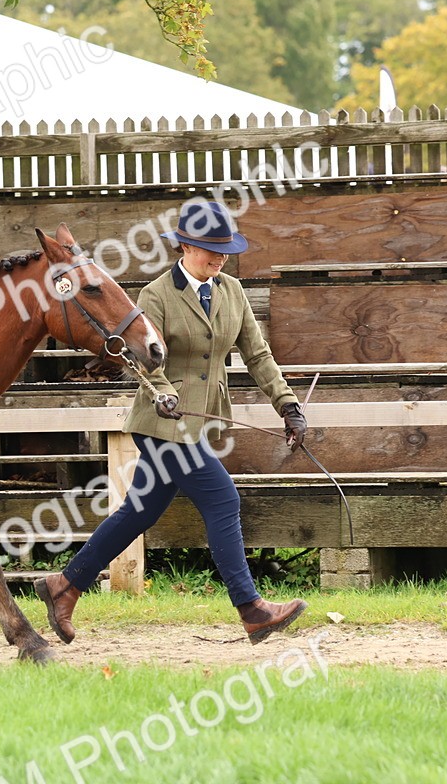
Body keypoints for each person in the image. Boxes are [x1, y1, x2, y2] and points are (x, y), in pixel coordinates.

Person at [34, 200, 309, 646]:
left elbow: (258, 356)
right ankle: (252, 609)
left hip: (201, 424)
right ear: (184, 246)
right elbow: (144, 358)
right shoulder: (156, 295)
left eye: (223, 250)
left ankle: (65, 586)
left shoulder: (233, 292)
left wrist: (288, 405)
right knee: (223, 501)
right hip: (162, 422)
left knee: (138, 512)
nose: (217, 258)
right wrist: (164, 392)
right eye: (207, 249)